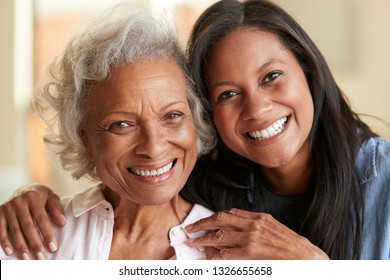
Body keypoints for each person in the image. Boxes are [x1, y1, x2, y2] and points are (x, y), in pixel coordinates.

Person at [1, 0, 389, 260]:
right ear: (207, 115)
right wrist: (26, 195)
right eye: (228, 94)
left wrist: (316, 267)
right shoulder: (209, 188)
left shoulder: (381, 180)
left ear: (310, 70)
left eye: (272, 76)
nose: (256, 108)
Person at [0, 2, 217, 260]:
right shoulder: (32, 238)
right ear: (85, 139)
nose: (154, 147)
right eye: (122, 124)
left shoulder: (235, 251)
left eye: (172, 116)